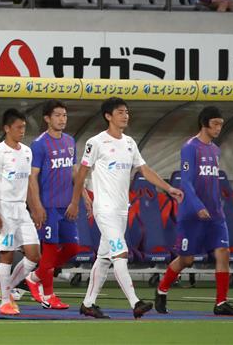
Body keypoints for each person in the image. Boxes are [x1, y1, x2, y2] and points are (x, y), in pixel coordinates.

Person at [69, 97, 183, 319]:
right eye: (120, 112)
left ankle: (88, 304)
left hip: (122, 209)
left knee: (103, 258)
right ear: (108, 116)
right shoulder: (96, 142)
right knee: (120, 253)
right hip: (105, 209)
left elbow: (144, 170)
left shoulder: (130, 143)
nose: (125, 115)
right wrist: (77, 200)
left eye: (127, 112)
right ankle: (135, 302)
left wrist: (169, 188)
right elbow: (82, 173)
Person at [156, 107, 233, 316]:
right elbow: (186, 182)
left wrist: (215, 206)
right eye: (215, 123)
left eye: (221, 124)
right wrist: (198, 206)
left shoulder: (215, 149)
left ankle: (221, 302)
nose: (218, 128)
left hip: (215, 214)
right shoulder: (190, 148)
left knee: (223, 252)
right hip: (192, 214)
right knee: (186, 260)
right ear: (204, 123)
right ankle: (161, 289)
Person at [0, 108, 41, 316]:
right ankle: (6, 302)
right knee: (6, 255)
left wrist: (36, 207)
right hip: (3, 207)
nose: (22, 131)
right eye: (18, 127)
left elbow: (30, 182)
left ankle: (5, 287)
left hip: (21, 209)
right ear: (7, 128)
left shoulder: (27, 151)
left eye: (24, 127)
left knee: (34, 255)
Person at [24, 100, 78, 310]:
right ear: (47, 118)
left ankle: (35, 277)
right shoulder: (39, 144)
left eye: (64, 115)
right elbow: (32, 177)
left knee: (72, 248)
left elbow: (75, 172)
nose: (62, 119)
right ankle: (49, 296)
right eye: (57, 115)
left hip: (67, 206)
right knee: (49, 251)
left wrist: (83, 196)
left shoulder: (70, 141)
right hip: (48, 207)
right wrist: (37, 206)